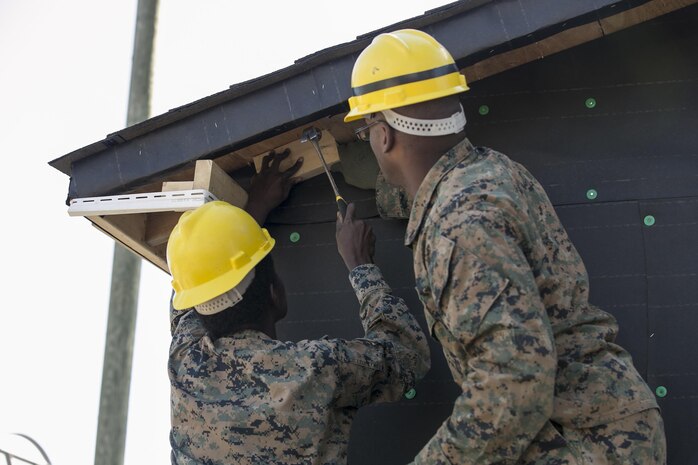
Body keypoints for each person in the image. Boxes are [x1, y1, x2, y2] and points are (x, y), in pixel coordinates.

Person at [344, 29, 666, 464]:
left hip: (583, 444)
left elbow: (514, 382)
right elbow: (422, 191)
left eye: (367, 133)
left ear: (383, 137)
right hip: (604, 424)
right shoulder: (491, 172)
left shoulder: (457, 226)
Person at [166, 150, 430, 465]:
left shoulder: (184, 360)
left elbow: (202, 284)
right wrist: (362, 267)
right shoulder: (313, 370)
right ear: (275, 293)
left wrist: (253, 209)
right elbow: (406, 356)